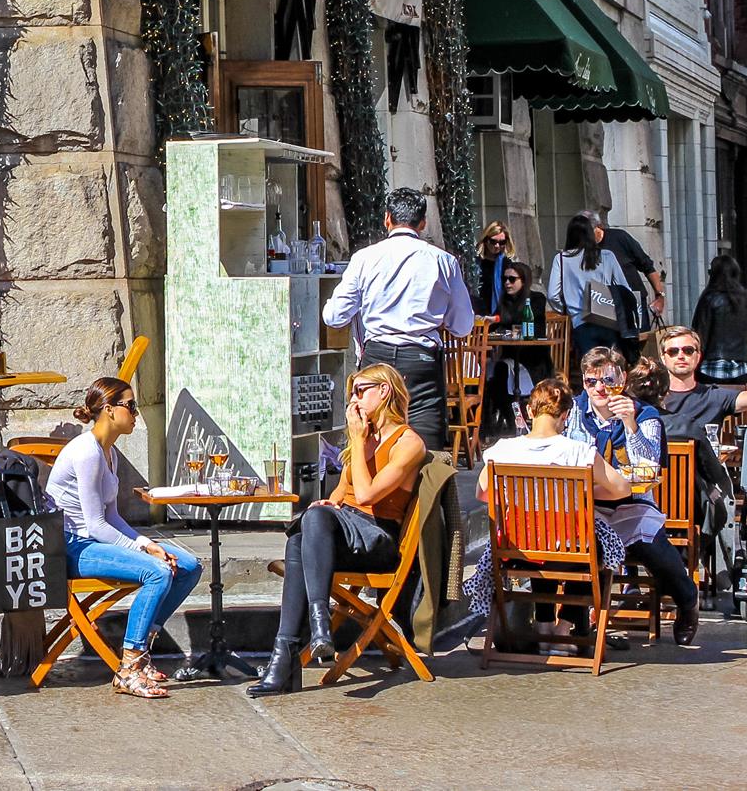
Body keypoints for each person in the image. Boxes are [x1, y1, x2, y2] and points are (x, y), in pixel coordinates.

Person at [249, 363, 427, 695]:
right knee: (303, 533)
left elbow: (367, 495)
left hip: (378, 538)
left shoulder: (408, 443)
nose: (353, 400)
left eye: (360, 391)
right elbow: (341, 495)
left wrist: (357, 441)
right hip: (349, 534)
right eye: (351, 394)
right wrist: (327, 503)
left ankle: (304, 642)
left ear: (384, 390)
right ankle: (298, 648)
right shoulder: (364, 437)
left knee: (309, 528)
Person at [46, 377, 201, 698]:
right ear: (108, 410)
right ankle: (129, 667)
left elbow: (113, 517)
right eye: (130, 406)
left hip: (91, 541)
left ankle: (142, 651)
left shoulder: (109, 453)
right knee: (157, 572)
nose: (135, 413)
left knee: (189, 565)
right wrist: (145, 548)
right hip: (70, 546)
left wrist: (148, 544)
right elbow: (95, 525)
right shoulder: (87, 452)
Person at [463, 377, 631, 631]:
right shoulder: (579, 451)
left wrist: (519, 498)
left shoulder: (502, 450)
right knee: (600, 550)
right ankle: (564, 626)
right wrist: (583, 494)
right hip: (569, 551)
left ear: (529, 411)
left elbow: (482, 493)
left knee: (541, 538)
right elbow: (621, 489)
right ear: (565, 415)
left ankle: (543, 624)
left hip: (517, 550)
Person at [564, 346, 699, 643]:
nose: (600, 388)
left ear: (623, 379)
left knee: (651, 547)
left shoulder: (644, 414)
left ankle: (687, 599)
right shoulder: (572, 411)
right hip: (587, 506)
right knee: (581, 547)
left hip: (631, 504)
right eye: (591, 381)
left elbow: (648, 467)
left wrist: (630, 423)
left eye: (608, 380)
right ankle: (577, 626)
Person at [321, 187, 472, 452]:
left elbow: (334, 317)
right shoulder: (444, 261)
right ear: (423, 223)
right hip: (420, 361)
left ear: (387, 219)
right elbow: (463, 325)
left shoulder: (364, 258)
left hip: (376, 360)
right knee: (425, 453)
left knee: (372, 446)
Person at [654, 324, 747, 440]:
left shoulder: (714, 397)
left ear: (698, 355)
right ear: (663, 357)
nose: (681, 356)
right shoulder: (650, 398)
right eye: (673, 351)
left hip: (703, 472)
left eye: (688, 351)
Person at [546, 214, 632, 366]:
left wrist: (567, 310)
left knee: (590, 366)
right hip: (607, 317)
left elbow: (553, 295)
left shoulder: (561, 259)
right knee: (612, 364)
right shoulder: (607, 256)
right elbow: (624, 288)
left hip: (580, 321)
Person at [582, 212, 665, 357]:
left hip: (633, 301)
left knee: (638, 345)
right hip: (603, 305)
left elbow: (647, 266)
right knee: (609, 350)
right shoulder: (582, 248)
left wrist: (660, 296)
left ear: (598, 226)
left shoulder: (619, 238)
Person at [483, 262, 550, 435]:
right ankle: (501, 425)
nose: (507, 283)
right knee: (488, 375)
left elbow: (518, 320)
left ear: (524, 280)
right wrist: (485, 323)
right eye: (504, 279)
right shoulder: (504, 301)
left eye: (512, 279)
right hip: (509, 358)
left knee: (499, 373)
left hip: (533, 361)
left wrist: (498, 320)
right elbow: (493, 324)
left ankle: (508, 425)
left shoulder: (536, 299)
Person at [690, 254, 747, 385]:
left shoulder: (709, 299)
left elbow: (700, 333)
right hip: (741, 365)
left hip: (711, 366)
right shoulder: (746, 299)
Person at [471, 222, 515, 316]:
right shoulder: (474, 262)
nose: (497, 246)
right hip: (475, 312)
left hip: (498, 315)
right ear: (486, 240)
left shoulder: (507, 264)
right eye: (493, 241)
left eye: (502, 242)